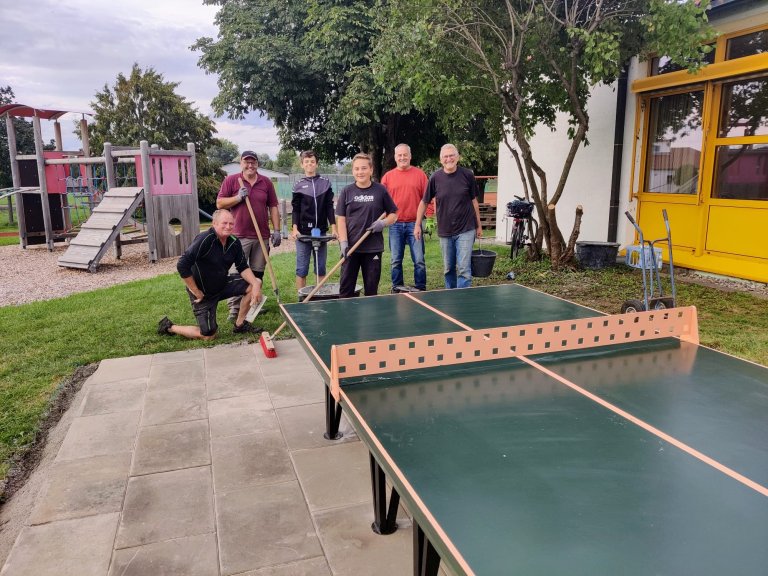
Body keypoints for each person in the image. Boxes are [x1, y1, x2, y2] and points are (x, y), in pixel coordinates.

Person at [158, 209, 263, 340]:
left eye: (231, 223)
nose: (228, 226)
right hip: (203, 293)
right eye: (224, 223)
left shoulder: (234, 242)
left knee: (255, 282)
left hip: (222, 284)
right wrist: (195, 290)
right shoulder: (205, 239)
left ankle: (240, 325)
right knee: (208, 335)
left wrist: (255, 285)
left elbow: (242, 267)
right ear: (214, 223)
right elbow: (182, 265)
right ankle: (169, 327)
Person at [215, 151, 281, 319]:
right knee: (237, 273)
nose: (250, 165)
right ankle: (234, 308)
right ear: (241, 163)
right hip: (238, 236)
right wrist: (238, 197)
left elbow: (273, 206)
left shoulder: (265, 182)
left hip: (261, 236)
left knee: (257, 273)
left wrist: (278, 230)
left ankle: (252, 305)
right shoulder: (232, 180)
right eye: (247, 162)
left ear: (257, 164)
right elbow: (220, 203)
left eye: (253, 162)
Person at [415, 144, 482, 289]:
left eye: (452, 155)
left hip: (466, 228)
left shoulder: (467, 175)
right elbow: (424, 202)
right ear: (441, 160)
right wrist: (417, 225)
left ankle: (462, 299)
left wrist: (479, 225)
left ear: (457, 157)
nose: (449, 159)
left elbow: (474, 202)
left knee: (464, 269)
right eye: (445, 156)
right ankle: (450, 297)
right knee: (448, 269)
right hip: (445, 231)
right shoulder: (435, 177)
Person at [335, 153, 398, 298]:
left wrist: (383, 223)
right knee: (345, 289)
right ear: (352, 171)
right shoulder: (346, 191)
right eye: (356, 169)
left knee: (371, 290)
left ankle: (370, 319)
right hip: (351, 249)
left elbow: (394, 214)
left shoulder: (380, 190)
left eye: (363, 168)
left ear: (371, 170)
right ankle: (346, 318)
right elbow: (341, 219)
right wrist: (343, 243)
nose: (360, 172)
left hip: (373, 249)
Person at [381, 143, 428, 291]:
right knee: (395, 260)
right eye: (399, 155)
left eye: (405, 154)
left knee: (419, 260)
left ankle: (420, 287)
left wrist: (428, 216)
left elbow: (427, 198)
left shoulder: (420, 175)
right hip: (395, 224)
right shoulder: (388, 177)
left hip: (415, 223)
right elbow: (382, 202)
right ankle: (397, 287)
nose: (402, 157)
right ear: (395, 157)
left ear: (410, 156)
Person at [290, 150, 336, 290]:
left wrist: (334, 227)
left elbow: (329, 207)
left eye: (312, 161)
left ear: (316, 163)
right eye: (306, 162)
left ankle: (320, 295)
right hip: (304, 233)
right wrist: (295, 228)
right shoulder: (298, 185)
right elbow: (296, 209)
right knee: (302, 268)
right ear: (302, 164)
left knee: (320, 267)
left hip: (320, 232)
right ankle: (301, 299)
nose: (309, 164)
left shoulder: (325, 183)